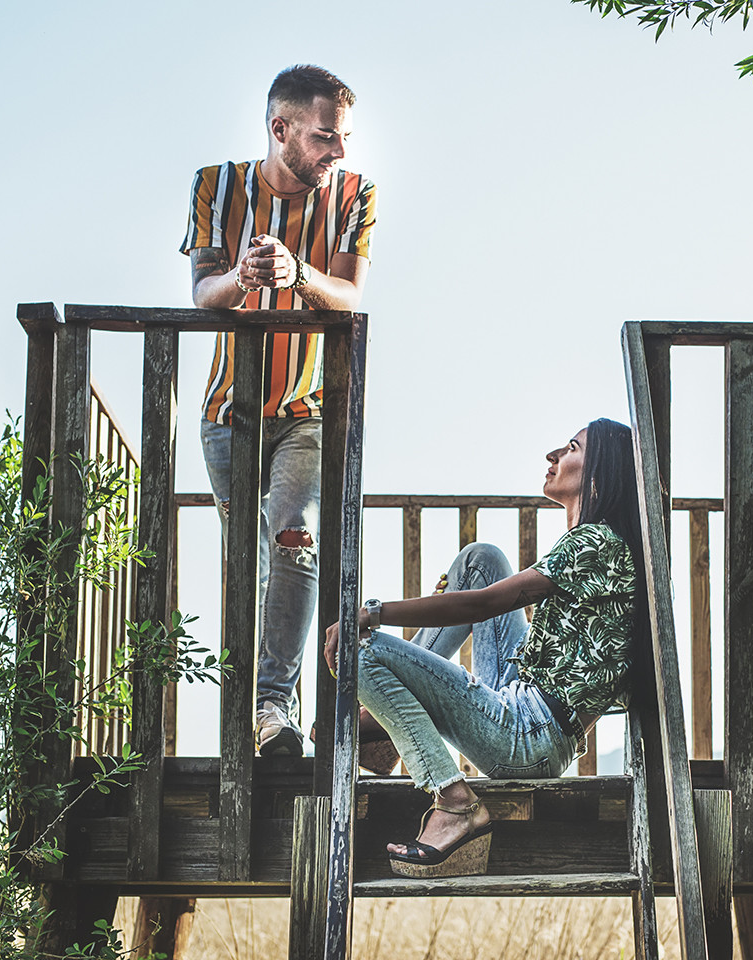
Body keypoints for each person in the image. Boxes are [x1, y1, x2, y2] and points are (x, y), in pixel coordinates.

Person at [323, 419, 648, 878]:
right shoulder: (598, 542)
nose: (553, 455)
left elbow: (486, 603)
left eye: (571, 448)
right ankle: (381, 721)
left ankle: (453, 801)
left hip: (529, 735)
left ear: (598, 476)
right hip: (523, 701)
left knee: (363, 652)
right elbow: (487, 594)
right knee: (482, 560)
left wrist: (373, 612)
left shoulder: (596, 543)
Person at [181, 64, 376, 756]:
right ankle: (258, 713)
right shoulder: (216, 186)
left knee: (295, 539)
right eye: (325, 137)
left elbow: (349, 295)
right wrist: (244, 276)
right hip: (227, 413)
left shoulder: (355, 195)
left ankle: (271, 708)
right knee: (250, 559)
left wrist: (299, 273)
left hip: (307, 409)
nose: (338, 151)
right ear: (281, 128)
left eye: (343, 137)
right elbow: (202, 291)